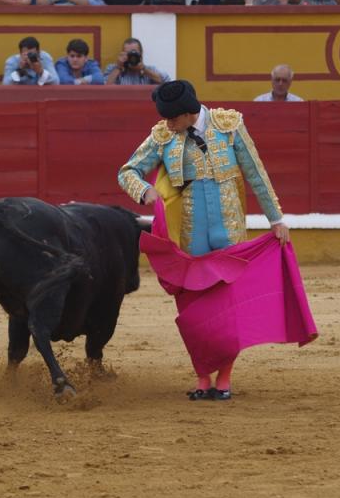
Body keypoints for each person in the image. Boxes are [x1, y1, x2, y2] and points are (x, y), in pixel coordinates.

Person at [117, 80, 294, 401]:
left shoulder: (229, 125)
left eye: (173, 120)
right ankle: (202, 377)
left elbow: (256, 173)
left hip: (228, 230)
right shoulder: (163, 135)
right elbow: (127, 171)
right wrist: (144, 191)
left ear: (188, 114)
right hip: (188, 233)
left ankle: (224, 377)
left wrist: (276, 219)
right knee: (194, 305)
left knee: (228, 304)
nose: (168, 125)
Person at [104, 38, 171, 85]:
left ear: (141, 54)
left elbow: (167, 82)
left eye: (134, 53)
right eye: (128, 53)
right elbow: (104, 88)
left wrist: (144, 69)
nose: (131, 57)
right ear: (123, 54)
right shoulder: (113, 69)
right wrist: (118, 67)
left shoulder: (151, 69)